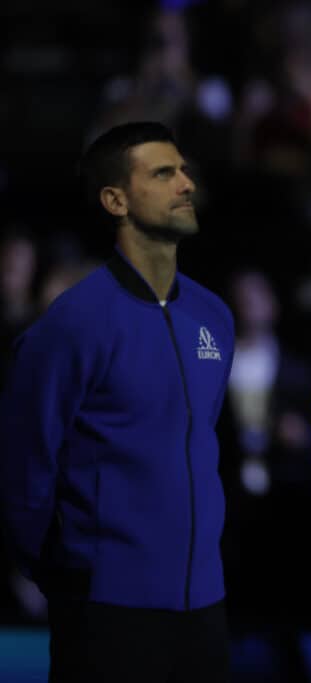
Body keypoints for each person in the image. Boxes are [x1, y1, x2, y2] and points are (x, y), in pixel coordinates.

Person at [0, 122, 234, 683]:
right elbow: (23, 466)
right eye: (162, 173)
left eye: (183, 170)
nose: (185, 184)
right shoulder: (72, 325)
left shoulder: (216, 318)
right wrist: (68, 571)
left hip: (205, 608)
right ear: (116, 200)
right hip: (107, 610)